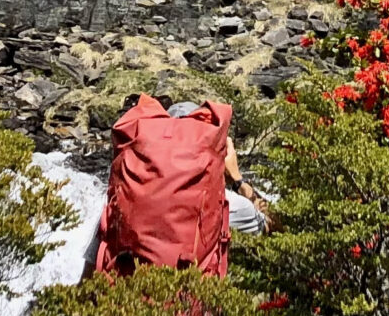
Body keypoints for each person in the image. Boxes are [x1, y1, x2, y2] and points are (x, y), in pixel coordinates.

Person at [89, 95, 265, 278]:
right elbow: (277, 229)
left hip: (122, 302)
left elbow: (89, 271)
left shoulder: (122, 198)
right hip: (189, 303)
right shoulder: (231, 206)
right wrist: (237, 179)